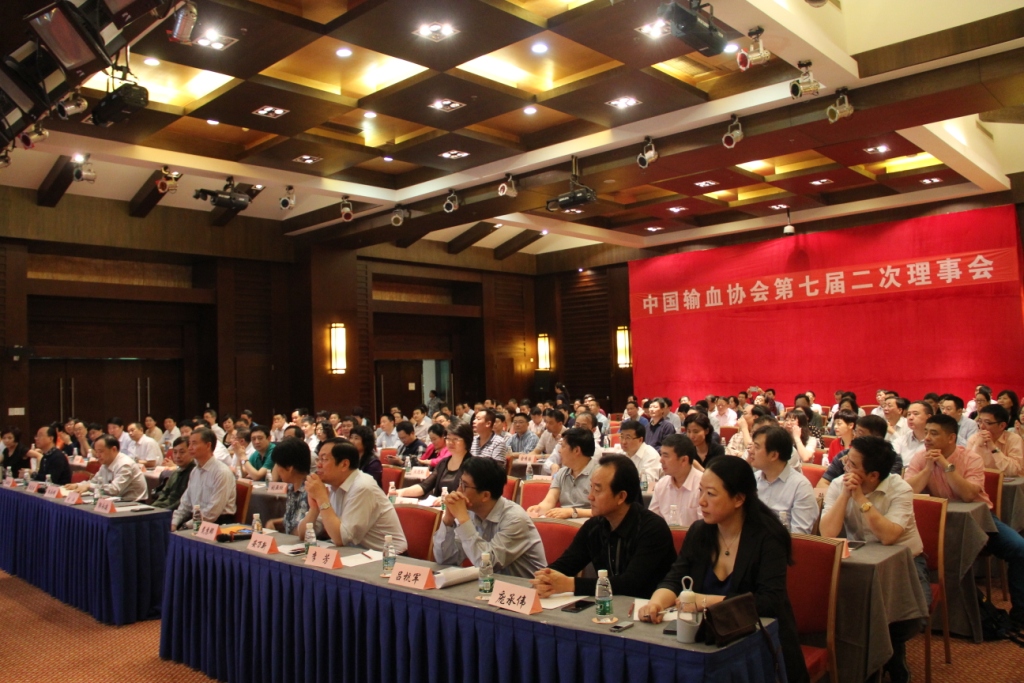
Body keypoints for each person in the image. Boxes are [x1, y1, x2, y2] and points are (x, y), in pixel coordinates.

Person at [637, 457, 811, 683]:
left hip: (760, 648)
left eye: (711, 494)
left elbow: (769, 602)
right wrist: (656, 603)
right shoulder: (700, 532)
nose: (701, 501)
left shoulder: (768, 538)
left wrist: (704, 601)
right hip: (708, 643)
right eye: (700, 491)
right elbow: (675, 578)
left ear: (738, 499)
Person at [819, 436, 927, 683]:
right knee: (846, 610)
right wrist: (846, 494)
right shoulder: (839, 484)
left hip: (906, 562)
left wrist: (860, 499)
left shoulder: (900, 489)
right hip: (862, 562)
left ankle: (891, 657)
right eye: (847, 460)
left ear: (873, 475)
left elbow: (889, 536)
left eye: (853, 464)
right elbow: (827, 533)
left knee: (910, 617)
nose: (845, 465)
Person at [905, 413, 1024, 626]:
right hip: (937, 523)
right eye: (927, 433)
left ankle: (1020, 614)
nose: (927, 438)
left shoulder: (971, 458)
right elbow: (908, 492)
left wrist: (945, 465)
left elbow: (968, 495)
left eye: (934, 433)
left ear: (951, 438)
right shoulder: (921, 457)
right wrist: (928, 468)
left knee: (1020, 548)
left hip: (980, 521)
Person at [532, 454, 676, 599]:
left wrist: (571, 584)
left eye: (597, 490)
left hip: (648, 607)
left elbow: (631, 584)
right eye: (591, 487)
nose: (590, 497)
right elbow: (566, 564)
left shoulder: (652, 529)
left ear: (621, 497)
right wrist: (545, 577)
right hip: (608, 606)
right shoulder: (594, 527)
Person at [434, 457, 547, 577]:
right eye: (460, 483)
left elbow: (486, 565)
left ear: (485, 495)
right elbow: (445, 559)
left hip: (524, 587)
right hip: (489, 585)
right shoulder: (470, 512)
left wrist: (463, 520)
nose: (458, 490)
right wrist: (448, 520)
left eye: (464, 486)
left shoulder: (515, 519)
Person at [299, 439, 407, 552]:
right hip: (356, 553)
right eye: (318, 459)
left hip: (389, 556)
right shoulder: (329, 486)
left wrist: (322, 499)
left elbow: (341, 538)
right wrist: (314, 509)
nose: (318, 465)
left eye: (324, 459)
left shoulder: (363, 487)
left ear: (344, 464)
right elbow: (303, 535)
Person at [749, 425, 817, 534]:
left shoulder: (800, 487)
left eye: (756, 447)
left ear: (774, 455)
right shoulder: (752, 480)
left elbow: (799, 536)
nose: (750, 451)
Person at [171, 429, 237, 530]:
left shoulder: (221, 472)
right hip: (196, 520)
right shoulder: (195, 471)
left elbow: (212, 513)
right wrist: (174, 523)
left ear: (208, 445)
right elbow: (185, 504)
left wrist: (186, 526)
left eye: (194, 443)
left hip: (218, 524)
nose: (190, 448)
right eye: (189, 444)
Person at [815, 415, 898, 495]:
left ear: (877, 438)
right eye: (855, 431)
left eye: (860, 433)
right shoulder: (844, 454)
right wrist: (840, 497)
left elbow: (888, 488)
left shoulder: (892, 459)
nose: (854, 436)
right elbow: (822, 484)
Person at [527, 427, 597, 520]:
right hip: (564, 522)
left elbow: (604, 510)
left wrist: (572, 512)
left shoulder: (600, 474)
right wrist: (538, 508)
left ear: (576, 450)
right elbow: (549, 502)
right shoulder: (562, 473)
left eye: (563, 446)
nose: (559, 451)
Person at [397, 423, 473, 504]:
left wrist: (448, 498)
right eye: (448, 438)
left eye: (456, 439)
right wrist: (400, 492)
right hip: (438, 507)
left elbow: (470, 494)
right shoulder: (443, 463)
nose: (450, 442)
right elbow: (424, 486)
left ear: (467, 440)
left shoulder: (472, 465)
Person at [67, 435, 147, 502]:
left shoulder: (125, 464)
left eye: (100, 451)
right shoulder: (105, 463)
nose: (97, 455)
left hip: (134, 504)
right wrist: (78, 485)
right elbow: (94, 481)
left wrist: (89, 486)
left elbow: (115, 490)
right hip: (115, 501)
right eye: (96, 451)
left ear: (113, 449)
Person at [649, 434, 703, 527]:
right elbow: (652, 521)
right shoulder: (661, 484)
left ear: (684, 460)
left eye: (666, 456)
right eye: (661, 455)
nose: (661, 460)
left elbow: (706, 527)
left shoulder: (703, 486)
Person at [265, 437, 312, 535]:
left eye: (278, 465)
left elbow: (304, 529)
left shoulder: (311, 489)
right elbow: (293, 519)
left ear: (289, 468)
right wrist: (274, 522)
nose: (277, 470)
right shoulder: (292, 486)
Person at [967, 404, 1023, 477]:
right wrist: (977, 446)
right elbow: (968, 467)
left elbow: (1014, 471)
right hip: (981, 481)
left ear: (1002, 426)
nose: (982, 426)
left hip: (1009, 482)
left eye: (988, 423)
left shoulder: (1014, 439)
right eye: (980, 421)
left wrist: (993, 448)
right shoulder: (974, 438)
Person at [153, 437, 196, 510]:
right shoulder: (175, 473)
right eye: (175, 452)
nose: (178, 456)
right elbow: (164, 494)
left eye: (182, 452)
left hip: (177, 511)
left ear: (191, 452)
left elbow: (183, 502)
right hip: (162, 508)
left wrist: (164, 511)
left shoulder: (195, 473)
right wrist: (152, 508)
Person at [615, 419, 661, 487]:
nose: (623, 442)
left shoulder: (651, 455)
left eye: (628, 438)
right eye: (622, 437)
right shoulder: (621, 454)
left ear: (640, 440)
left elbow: (647, 484)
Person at [893, 401, 932, 466]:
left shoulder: (937, 442)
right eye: (909, 414)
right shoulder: (900, 440)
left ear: (928, 417)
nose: (910, 418)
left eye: (916, 414)